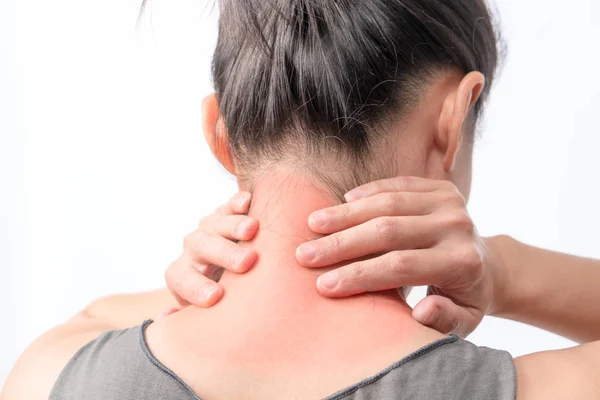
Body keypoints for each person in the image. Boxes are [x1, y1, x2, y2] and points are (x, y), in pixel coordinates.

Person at [3, 0, 600, 399]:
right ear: (452, 119)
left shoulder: (51, 376)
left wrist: (200, 287)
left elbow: (94, 317)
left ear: (221, 135)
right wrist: (504, 272)